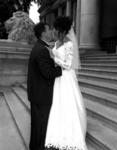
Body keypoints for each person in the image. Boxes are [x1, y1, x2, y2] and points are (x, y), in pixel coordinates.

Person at [45, 16, 88, 150]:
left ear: (62, 31)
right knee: (58, 104)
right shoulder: (57, 43)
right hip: (57, 77)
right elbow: (53, 54)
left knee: (68, 104)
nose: (55, 32)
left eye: (57, 30)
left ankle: (71, 134)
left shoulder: (69, 44)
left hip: (67, 77)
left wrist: (54, 58)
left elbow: (68, 65)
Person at [27, 22, 62, 150]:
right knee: (41, 125)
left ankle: (34, 146)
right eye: (48, 29)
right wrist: (61, 68)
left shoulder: (39, 46)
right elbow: (48, 73)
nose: (51, 31)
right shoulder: (42, 50)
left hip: (37, 93)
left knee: (37, 124)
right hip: (41, 95)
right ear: (43, 33)